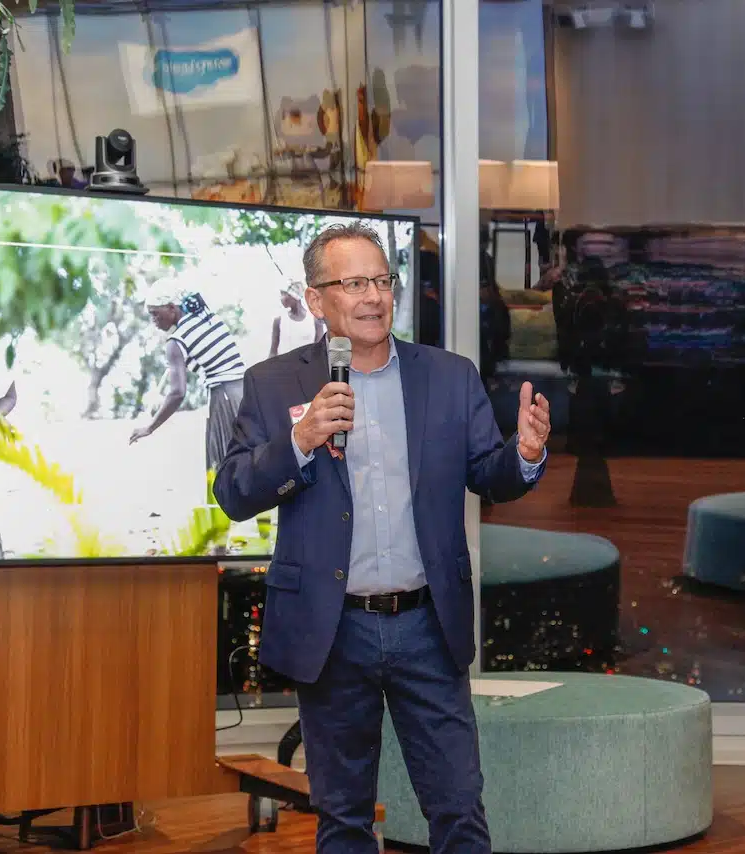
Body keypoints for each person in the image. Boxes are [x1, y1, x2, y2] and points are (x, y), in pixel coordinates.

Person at [212, 222, 551, 854]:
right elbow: (233, 492)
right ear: (316, 300)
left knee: (459, 809)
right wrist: (299, 441)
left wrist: (524, 455)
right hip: (332, 630)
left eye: (382, 281)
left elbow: (489, 474)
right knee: (343, 818)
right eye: (353, 284)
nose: (373, 297)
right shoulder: (273, 383)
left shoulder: (448, 376)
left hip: (428, 625)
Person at [130, 275, 248, 476]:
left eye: (155, 314)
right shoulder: (207, 316)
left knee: (222, 469)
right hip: (246, 390)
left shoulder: (176, 342)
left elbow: (177, 393)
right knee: (246, 461)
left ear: (172, 308)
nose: (153, 320)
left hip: (224, 397)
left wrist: (150, 427)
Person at [269, 282, 325, 357]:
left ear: (294, 296)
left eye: (284, 294)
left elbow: (319, 350)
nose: (281, 298)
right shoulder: (279, 320)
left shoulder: (314, 319)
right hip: (284, 363)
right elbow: (273, 352)